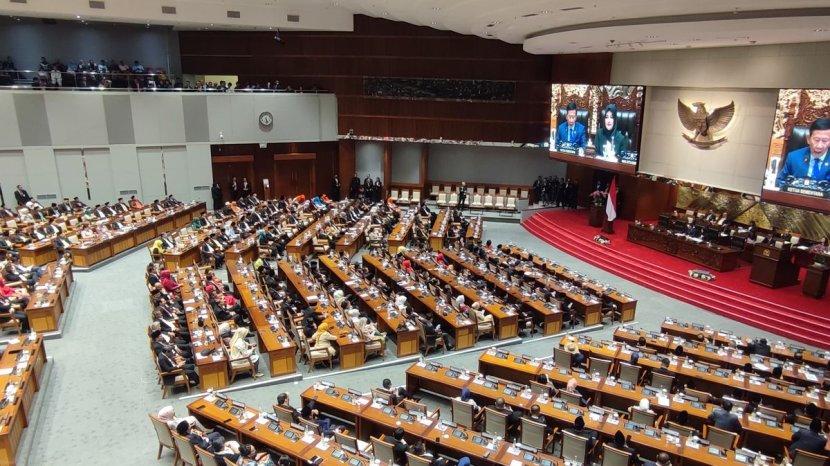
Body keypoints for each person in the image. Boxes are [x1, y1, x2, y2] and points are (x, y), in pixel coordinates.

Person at [776, 118, 830, 187]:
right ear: (808, 139)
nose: (819, 145)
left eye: (825, 141)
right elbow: (779, 182)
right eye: (816, 140)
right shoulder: (793, 157)